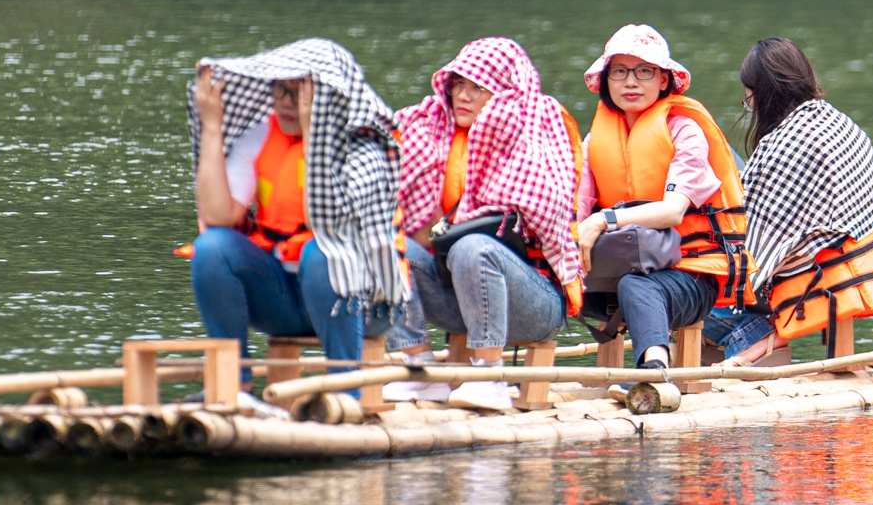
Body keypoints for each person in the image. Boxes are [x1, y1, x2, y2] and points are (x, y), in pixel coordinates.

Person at [188, 38, 407, 409]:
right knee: (211, 248)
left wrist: (315, 134)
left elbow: (335, 222)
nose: (288, 104)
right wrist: (212, 127)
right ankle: (232, 386)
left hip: (365, 304)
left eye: (300, 93)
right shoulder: (261, 135)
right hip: (287, 299)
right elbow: (218, 215)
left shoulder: (365, 145)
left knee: (322, 250)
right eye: (280, 91)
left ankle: (344, 394)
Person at [388, 36, 585, 413]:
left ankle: (488, 375)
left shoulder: (537, 125)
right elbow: (412, 231)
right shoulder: (431, 131)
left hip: (534, 303)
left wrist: (481, 210)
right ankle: (418, 367)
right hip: (459, 297)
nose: (462, 95)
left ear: (504, 94)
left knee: (473, 246)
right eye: (458, 84)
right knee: (381, 242)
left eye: (477, 87)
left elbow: (552, 212)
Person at [705, 37, 873, 366]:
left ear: (762, 94)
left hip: (810, 283)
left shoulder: (780, 147)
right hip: (854, 270)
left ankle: (753, 336)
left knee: (687, 290)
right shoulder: (843, 124)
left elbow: (748, 256)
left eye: (749, 99)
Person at [572, 24, 747, 372]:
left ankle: (654, 373)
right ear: (606, 80)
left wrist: (603, 220)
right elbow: (576, 214)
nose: (631, 82)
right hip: (614, 269)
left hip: (689, 273)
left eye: (644, 71)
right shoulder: (595, 141)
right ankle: (489, 370)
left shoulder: (685, 130)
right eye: (619, 72)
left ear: (664, 80)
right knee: (551, 273)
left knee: (637, 286)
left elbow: (673, 211)